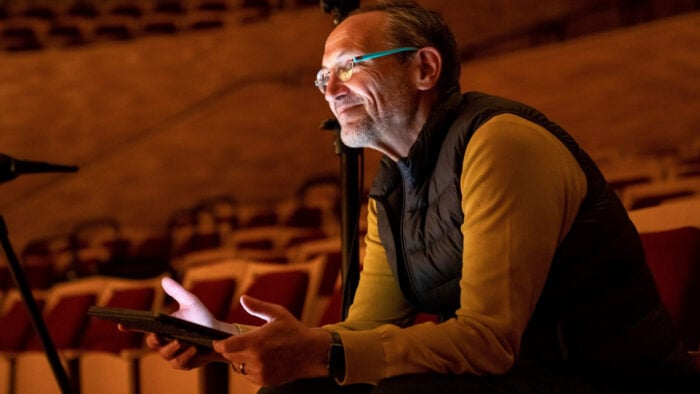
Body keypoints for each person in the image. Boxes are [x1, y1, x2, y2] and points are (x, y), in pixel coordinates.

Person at [144, 1, 699, 393]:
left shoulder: (499, 142)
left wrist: (324, 354)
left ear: (425, 67)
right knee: (299, 391)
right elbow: (364, 330)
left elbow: (487, 343)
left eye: (348, 67)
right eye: (322, 78)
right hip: (519, 377)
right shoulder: (389, 186)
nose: (331, 91)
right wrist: (227, 337)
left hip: (605, 377)